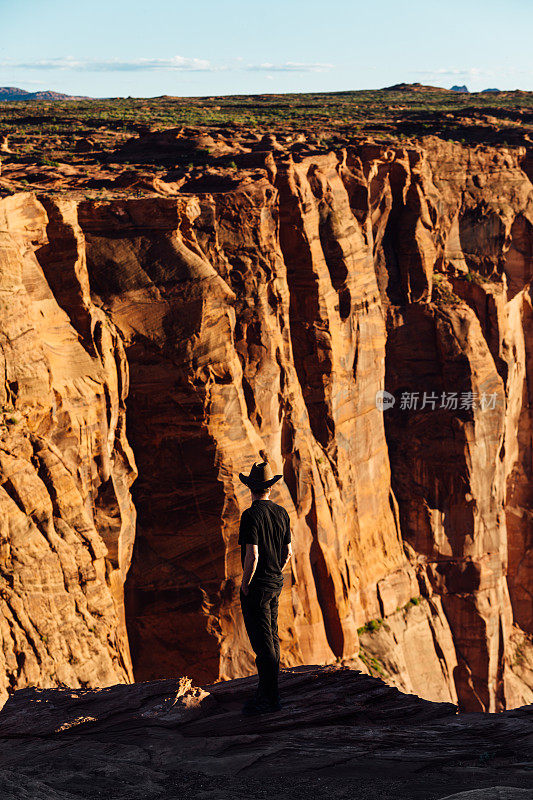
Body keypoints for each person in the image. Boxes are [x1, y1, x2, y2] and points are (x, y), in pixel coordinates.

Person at [238, 460, 292, 716]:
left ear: (251, 488)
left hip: (257, 586)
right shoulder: (282, 513)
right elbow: (288, 552)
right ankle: (268, 692)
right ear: (270, 488)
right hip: (275, 583)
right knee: (272, 635)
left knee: (262, 644)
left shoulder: (250, 515)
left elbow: (253, 555)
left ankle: (269, 699)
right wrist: (277, 571)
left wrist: (245, 583)